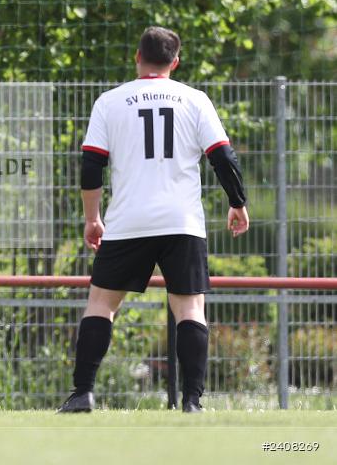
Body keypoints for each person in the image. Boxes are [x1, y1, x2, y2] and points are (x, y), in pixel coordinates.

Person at [57, 26, 250, 414]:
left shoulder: (110, 102)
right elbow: (223, 157)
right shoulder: (195, 100)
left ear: (137, 56)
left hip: (129, 220)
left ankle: (82, 394)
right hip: (182, 222)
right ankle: (193, 402)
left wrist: (92, 219)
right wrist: (237, 202)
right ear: (175, 62)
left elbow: (91, 165)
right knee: (190, 310)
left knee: (101, 304)